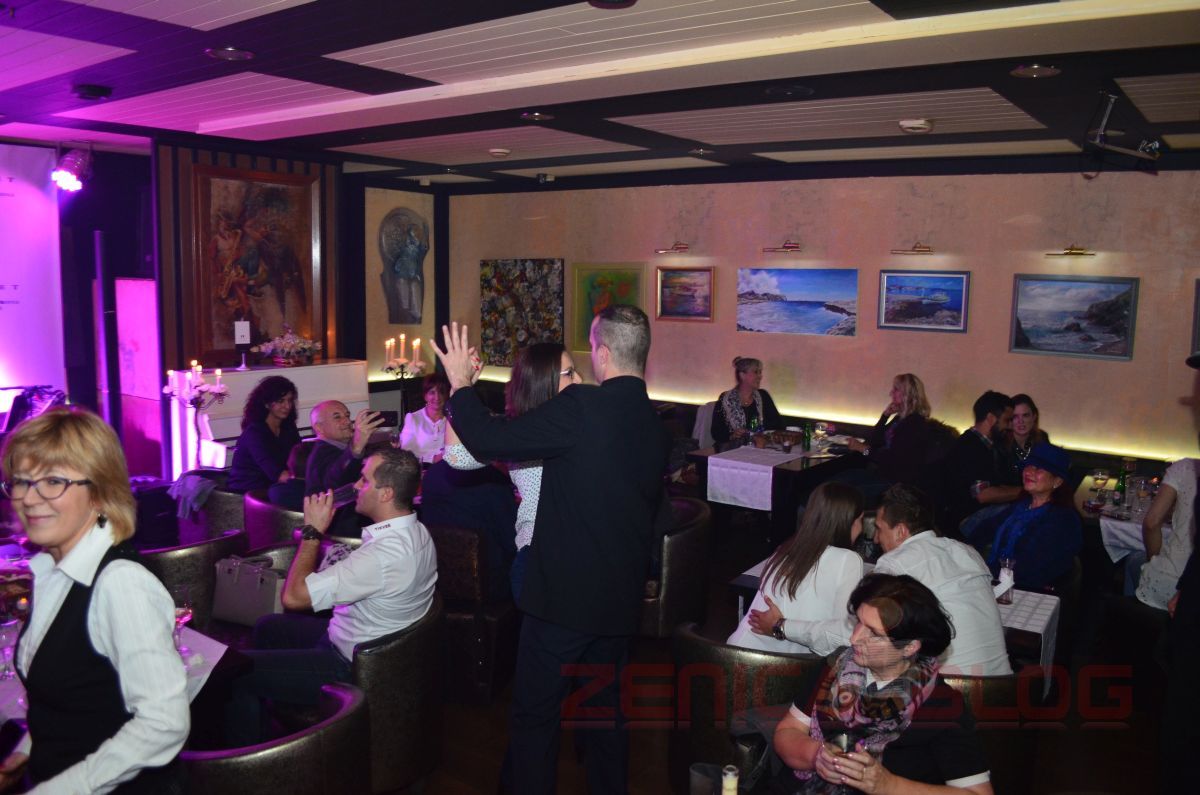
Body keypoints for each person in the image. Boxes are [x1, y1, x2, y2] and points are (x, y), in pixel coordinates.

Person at [433, 306, 669, 795]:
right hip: (618, 599)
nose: (581, 370)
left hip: (563, 597)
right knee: (605, 715)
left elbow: (487, 437)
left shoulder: (581, 407)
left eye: (587, 354)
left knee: (536, 718)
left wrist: (459, 384)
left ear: (603, 353)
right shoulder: (651, 420)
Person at [0, 408, 189, 792]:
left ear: (101, 492)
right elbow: (76, 699)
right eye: (20, 481)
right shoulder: (52, 570)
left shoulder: (121, 583)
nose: (29, 498)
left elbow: (163, 723)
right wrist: (28, 749)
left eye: (53, 481)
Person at [226, 447, 437, 745]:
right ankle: (275, 722)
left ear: (386, 494)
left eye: (364, 480)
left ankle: (251, 761)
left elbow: (293, 598)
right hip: (359, 637)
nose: (356, 486)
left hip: (350, 665)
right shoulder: (418, 530)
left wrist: (312, 532)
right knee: (266, 627)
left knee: (235, 672)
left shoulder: (383, 556)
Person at [772, 573, 993, 795]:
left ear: (910, 647)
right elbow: (788, 731)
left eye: (874, 634)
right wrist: (815, 755)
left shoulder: (941, 706)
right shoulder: (835, 667)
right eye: (859, 622)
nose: (855, 638)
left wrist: (888, 785)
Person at [782, 484, 1010, 676]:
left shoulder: (896, 563)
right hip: (1001, 683)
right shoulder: (967, 551)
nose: (875, 538)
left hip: (946, 688)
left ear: (900, 531)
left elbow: (849, 634)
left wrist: (782, 626)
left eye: (879, 528)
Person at [443, 341, 583, 600]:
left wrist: (461, 388)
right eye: (570, 373)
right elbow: (457, 456)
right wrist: (459, 388)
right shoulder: (520, 430)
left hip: (576, 556)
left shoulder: (575, 423)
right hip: (538, 558)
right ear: (543, 381)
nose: (580, 379)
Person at [729, 482, 865, 654]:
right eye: (860, 520)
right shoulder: (848, 559)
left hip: (737, 650)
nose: (862, 528)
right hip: (777, 663)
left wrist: (780, 626)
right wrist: (782, 626)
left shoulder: (788, 548)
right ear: (848, 522)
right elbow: (842, 636)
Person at [966, 442, 1081, 591]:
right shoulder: (1022, 506)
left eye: (1038, 468)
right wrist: (967, 550)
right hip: (1003, 581)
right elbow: (985, 529)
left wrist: (982, 574)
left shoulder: (1062, 519)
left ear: (1057, 481)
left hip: (1032, 590)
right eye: (1028, 466)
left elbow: (1028, 566)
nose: (1029, 472)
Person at [939, 390, 1021, 536]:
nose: (1010, 426)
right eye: (1007, 420)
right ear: (991, 418)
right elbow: (983, 494)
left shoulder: (986, 446)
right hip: (964, 521)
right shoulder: (970, 447)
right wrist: (1026, 492)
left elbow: (998, 485)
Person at [1129, 458, 1198, 610]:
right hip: (1189, 588)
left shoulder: (1185, 467)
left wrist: (1153, 561)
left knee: (1134, 559)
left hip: (1173, 583)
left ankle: (1131, 615)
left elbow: (1151, 523)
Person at [226, 375, 301, 493]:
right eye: (281, 401)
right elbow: (276, 474)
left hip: (273, 488)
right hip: (246, 492)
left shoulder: (288, 427)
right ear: (266, 403)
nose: (287, 406)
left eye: (290, 400)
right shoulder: (254, 433)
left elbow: (299, 458)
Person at [712, 356, 782, 444]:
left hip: (760, 446)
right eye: (756, 372)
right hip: (731, 447)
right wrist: (732, 435)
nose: (760, 376)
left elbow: (778, 425)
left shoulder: (763, 396)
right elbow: (716, 432)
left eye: (760, 372)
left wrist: (760, 433)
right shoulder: (726, 398)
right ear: (742, 375)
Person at [398, 372, 450, 464]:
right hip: (421, 468)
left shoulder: (452, 418)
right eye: (432, 392)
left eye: (441, 392)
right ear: (425, 396)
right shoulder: (413, 418)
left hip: (448, 467)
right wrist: (432, 458)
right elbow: (406, 451)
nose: (437, 397)